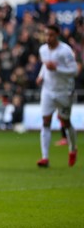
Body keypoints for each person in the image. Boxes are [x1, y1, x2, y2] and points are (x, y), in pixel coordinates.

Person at [36, 24, 78, 168]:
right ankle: (45, 157)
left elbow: (74, 70)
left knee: (65, 122)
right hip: (48, 90)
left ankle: (72, 149)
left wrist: (57, 68)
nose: (48, 38)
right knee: (45, 121)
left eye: (51, 35)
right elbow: (45, 64)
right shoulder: (43, 49)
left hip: (64, 91)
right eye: (46, 35)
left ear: (57, 35)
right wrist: (40, 76)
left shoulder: (65, 51)